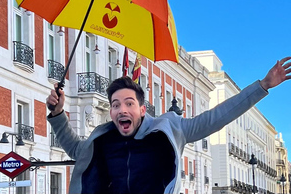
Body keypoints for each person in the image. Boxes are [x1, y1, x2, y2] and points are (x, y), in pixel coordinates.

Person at [46, 57, 291, 194]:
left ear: (142, 109)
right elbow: (74, 149)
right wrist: (57, 113)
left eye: (129, 103)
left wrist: (262, 86)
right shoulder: (102, 140)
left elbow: (216, 118)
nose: (122, 109)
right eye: (115, 104)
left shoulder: (170, 130)